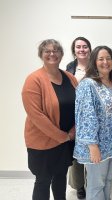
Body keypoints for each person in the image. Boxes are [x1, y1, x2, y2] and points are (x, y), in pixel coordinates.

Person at [21, 39, 77, 200]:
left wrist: (73, 130)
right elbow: (36, 115)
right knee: (43, 180)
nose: (52, 54)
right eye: (47, 51)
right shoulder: (34, 79)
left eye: (56, 51)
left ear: (61, 54)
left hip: (67, 140)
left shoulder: (70, 77)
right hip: (43, 142)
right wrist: (62, 136)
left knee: (61, 176)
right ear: (41, 55)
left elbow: (80, 107)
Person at [73, 46, 112, 200]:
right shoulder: (87, 84)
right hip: (95, 145)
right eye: (101, 59)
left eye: (108, 58)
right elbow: (86, 117)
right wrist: (92, 146)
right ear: (94, 62)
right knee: (96, 185)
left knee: (107, 181)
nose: (105, 62)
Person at [66, 36, 92, 199]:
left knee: (92, 152)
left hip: (91, 115)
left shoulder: (96, 66)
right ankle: (79, 186)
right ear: (74, 50)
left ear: (90, 49)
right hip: (74, 115)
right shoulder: (69, 68)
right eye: (78, 47)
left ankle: (93, 183)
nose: (82, 49)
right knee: (76, 154)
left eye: (85, 46)